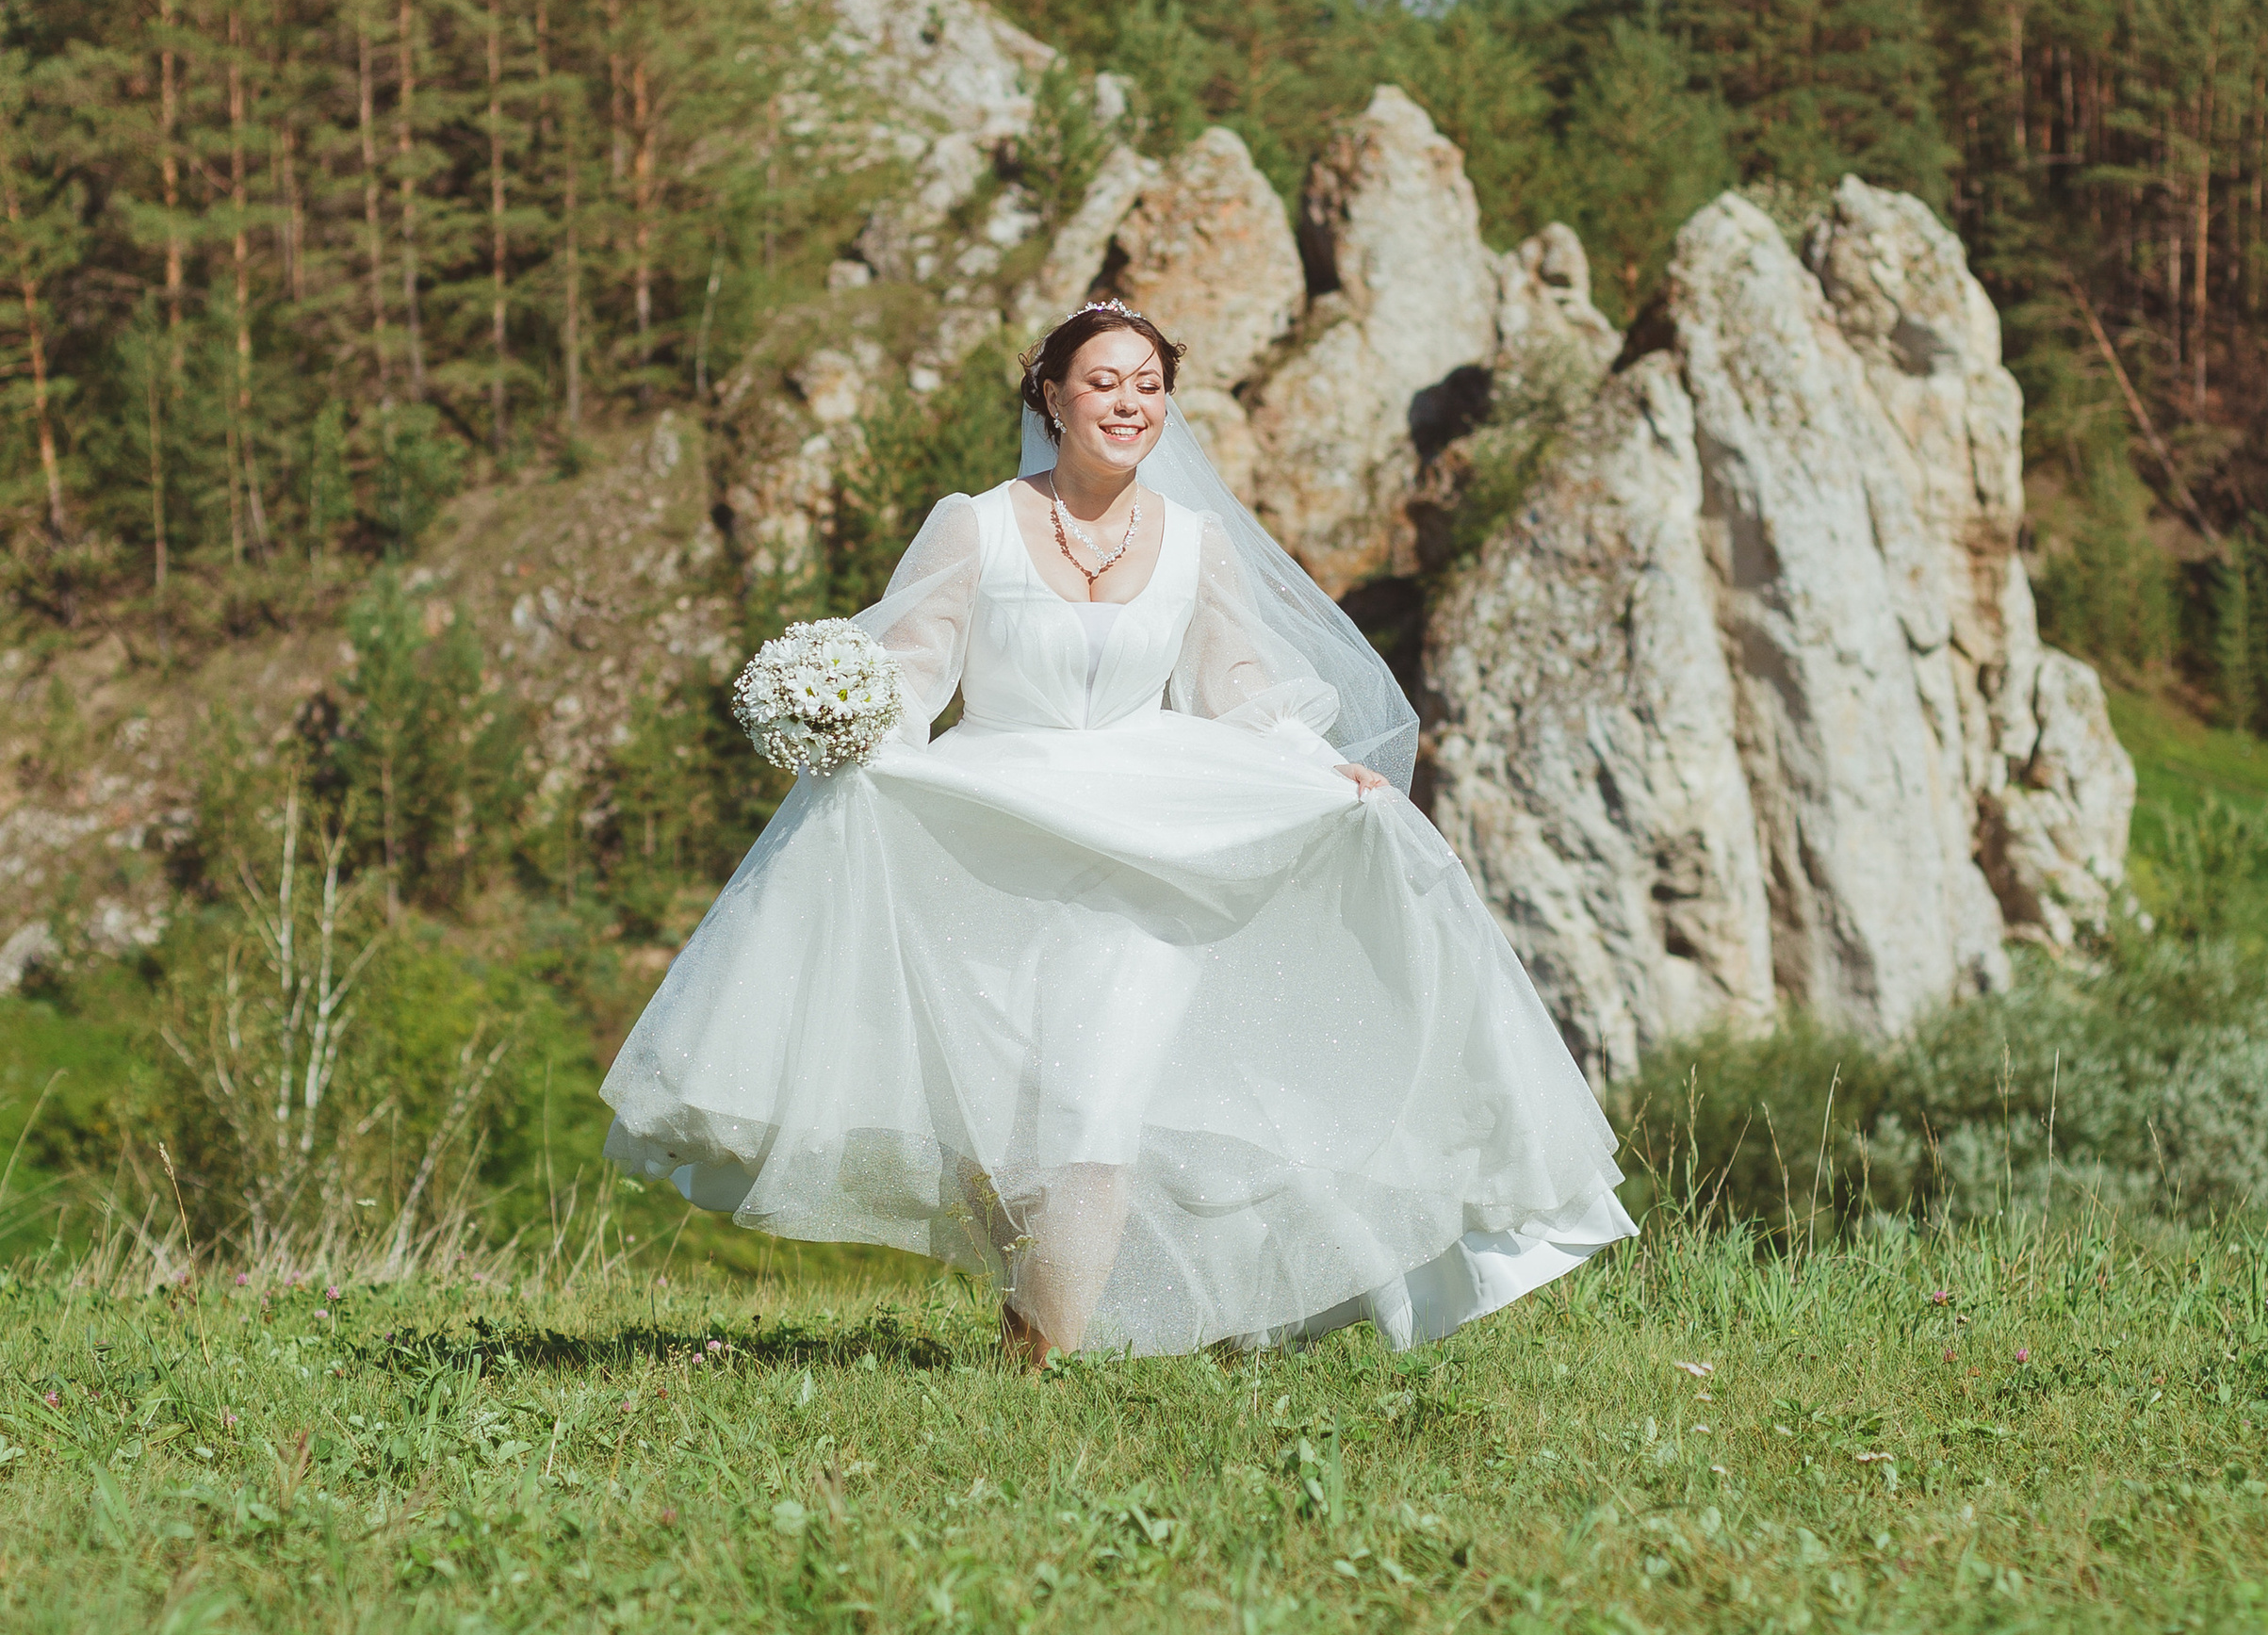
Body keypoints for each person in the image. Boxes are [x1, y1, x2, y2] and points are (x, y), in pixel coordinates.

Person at [602, 296, 1633, 1360]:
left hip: (1150, 848)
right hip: (992, 839)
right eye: (1103, 382)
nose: (1127, 403)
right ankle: (1028, 1314)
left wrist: (1315, 767)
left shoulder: (1195, 541)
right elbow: (917, 667)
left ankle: (1039, 1370)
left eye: (1147, 384)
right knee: (996, 1130)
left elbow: (1236, 685)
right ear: (1052, 396)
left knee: (1095, 1120)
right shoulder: (977, 521)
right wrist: (856, 728)